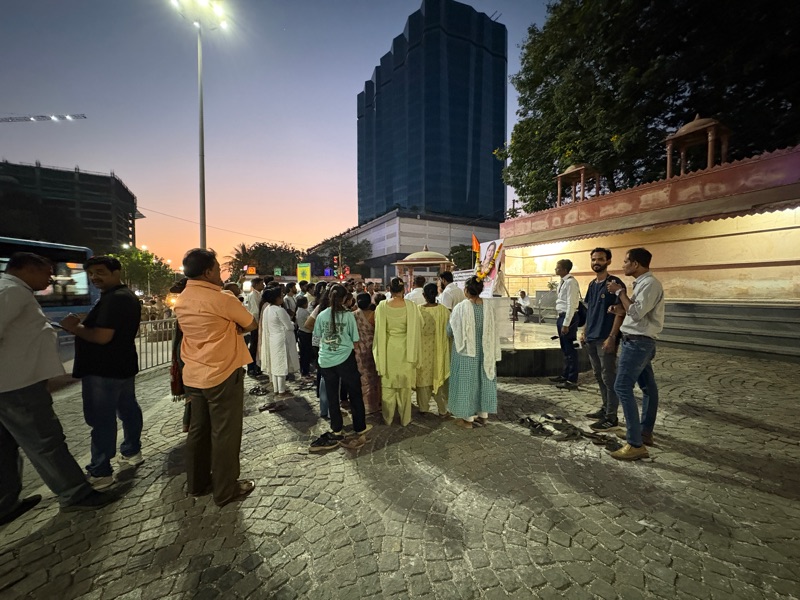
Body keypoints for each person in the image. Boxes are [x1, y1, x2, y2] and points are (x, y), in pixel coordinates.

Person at [0, 253, 115, 522]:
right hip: (17, 384)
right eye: (47, 272)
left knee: (5, 446)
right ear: (28, 269)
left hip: (11, 383)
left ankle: (5, 503)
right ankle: (75, 494)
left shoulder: (12, 289)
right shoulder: (11, 291)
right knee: (46, 441)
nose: (50, 278)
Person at [174, 248, 257, 506]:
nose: (220, 273)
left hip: (193, 373)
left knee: (198, 431)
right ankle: (225, 489)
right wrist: (233, 325)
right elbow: (251, 323)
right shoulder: (222, 299)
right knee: (225, 433)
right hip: (223, 372)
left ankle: (197, 483)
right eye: (218, 268)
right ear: (208, 271)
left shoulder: (182, 298)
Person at [60, 256, 143, 490]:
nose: (94, 277)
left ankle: (101, 471)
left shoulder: (115, 299)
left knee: (102, 419)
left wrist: (74, 328)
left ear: (116, 272)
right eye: (91, 274)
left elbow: (102, 336)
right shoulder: (125, 296)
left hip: (103, 369)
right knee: (128, 409)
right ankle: (132, 451)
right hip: (122, 365)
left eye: (100, 272)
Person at [607, 248, 665, 461]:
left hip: (638, 343)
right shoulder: (643, 283)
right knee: (648, 387)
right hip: (638, 341)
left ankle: (635, 444)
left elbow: (637, 313)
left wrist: (619, 292)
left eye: (625, 261)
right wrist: (618, 309)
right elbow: (634, 311)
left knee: (622, 386)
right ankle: (644, 432)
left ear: (636, 264)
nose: (623, 265)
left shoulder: (650, 284)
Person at [310, 284, 370, 451]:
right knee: (354, 392)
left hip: (326, 360)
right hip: (345, 358)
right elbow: (355, 340)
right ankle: (360, 426)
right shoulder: (348, 316)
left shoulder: (321, 315)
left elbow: (317, 338)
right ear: (344, 299)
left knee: (332, 395)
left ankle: (336, 428)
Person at [580, 249, 626, 430]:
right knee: (599, 375)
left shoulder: (614, 284)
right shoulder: (592, 284)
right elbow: (590, 310)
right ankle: (605, 408)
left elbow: (621, 313)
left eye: (600, 259)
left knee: (609, 377)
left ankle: (611, 417)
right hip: (591, 337)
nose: (596, 262)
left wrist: (612, 337)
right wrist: (584, 331)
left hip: (605, 338)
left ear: (608, 261)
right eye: (593, 259)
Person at [447, 276, 501, 428]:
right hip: (485, 352)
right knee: (483, 381)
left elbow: (450, 330)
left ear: (466, 290)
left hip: (466, 354)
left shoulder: (461, 308)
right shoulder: (489, 307)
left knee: (467, 383)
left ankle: (467, 419)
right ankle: (483, 416)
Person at [373, 277, 422, 426]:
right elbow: (420, 323)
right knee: (405, 388)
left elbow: (377, 327)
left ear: (389, 289)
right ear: (403, 290)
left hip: (388, 349)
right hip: (407, 349)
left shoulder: (382, 306)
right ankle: (405, 419)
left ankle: (387, 418)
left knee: (388, 387)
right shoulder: (411, 306)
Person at [415, 283, 451, 416]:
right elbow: (449, 331)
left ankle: (423, 407)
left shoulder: (418, 310)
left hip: (422, 351)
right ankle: (442, 410)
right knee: (438, 377)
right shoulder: (444, 311)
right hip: (439, 351)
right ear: (437, 294)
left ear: (423, 295)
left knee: (423, 378)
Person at [258, 286, 300, 398]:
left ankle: (277, 389)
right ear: (276, 298)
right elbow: (289, 326)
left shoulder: (267, 309)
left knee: (275, 365)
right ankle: (282, 391)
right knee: (281, 365)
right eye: (281, 296)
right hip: (281, 340)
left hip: (272, 339)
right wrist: (292, 324)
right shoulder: (279, 310)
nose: (282, 297)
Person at [550, 259, 581, 390]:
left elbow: (571, 304)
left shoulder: (571, 282)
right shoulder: (563, 282)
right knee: (565, 348)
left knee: (570, 349)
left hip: (568, 318)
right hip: (562, 316)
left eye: (557, 267)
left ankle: (572, 379)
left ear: (564, 269)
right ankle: (565, 374)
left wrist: (566, 323)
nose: (555, 269)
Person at [353, 292, 381, 414]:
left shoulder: (353, 315)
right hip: (373, 348)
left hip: (359, 349)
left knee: (362, 376)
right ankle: (375, 403)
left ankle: (364, 404)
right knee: (374, 376)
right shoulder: (374, 315)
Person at [244, 277, 265, 377]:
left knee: (257, 346)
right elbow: (255, 311)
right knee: (254, 346)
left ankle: (257, 366)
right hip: (255, 324)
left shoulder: (259, 294)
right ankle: (251, 368)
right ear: (256, 285)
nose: (263, 285)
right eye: (261, 283)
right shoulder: (253, 295)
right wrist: (258, 324)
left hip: (258, 324)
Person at [295, 295, 313, 377]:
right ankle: (305, 371)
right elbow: (309, 322)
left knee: (302, 353)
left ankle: (303, 370)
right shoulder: (304, 312)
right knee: (306, 354)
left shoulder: (298, 310)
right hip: (306, 333)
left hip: (301, 332)